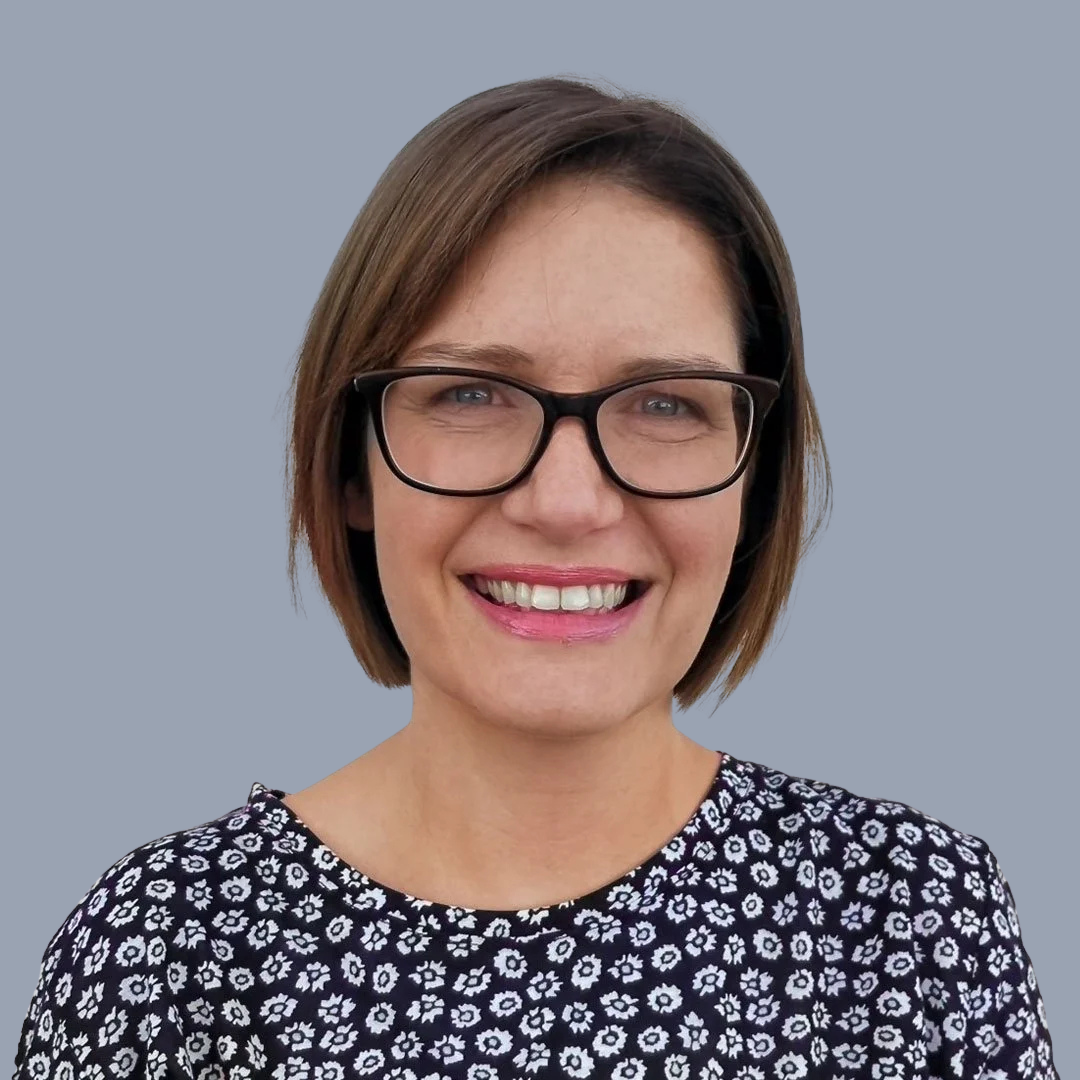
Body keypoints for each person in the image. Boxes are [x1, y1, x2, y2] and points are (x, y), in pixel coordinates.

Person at [12, 77, 1057, 1080]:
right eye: (471, 393)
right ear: (350, 466)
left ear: (753, 478)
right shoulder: (165, 956)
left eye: (663, 404)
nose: (568, 502)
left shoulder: (908, 921)